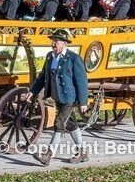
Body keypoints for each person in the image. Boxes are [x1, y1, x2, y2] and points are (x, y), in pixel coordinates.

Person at [30, 29, 90, 165]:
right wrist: (33, 91)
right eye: (53, 41)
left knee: (59, 122)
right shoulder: (50, 57)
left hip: (69, 98)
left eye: (56, 41)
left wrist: (83, 102)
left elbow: (81, 81)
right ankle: (82, 152)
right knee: (71, 123)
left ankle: (48, 155)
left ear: (64, 43)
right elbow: (42, 77)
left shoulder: (73, 59)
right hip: (57, 97)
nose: (53, 44)